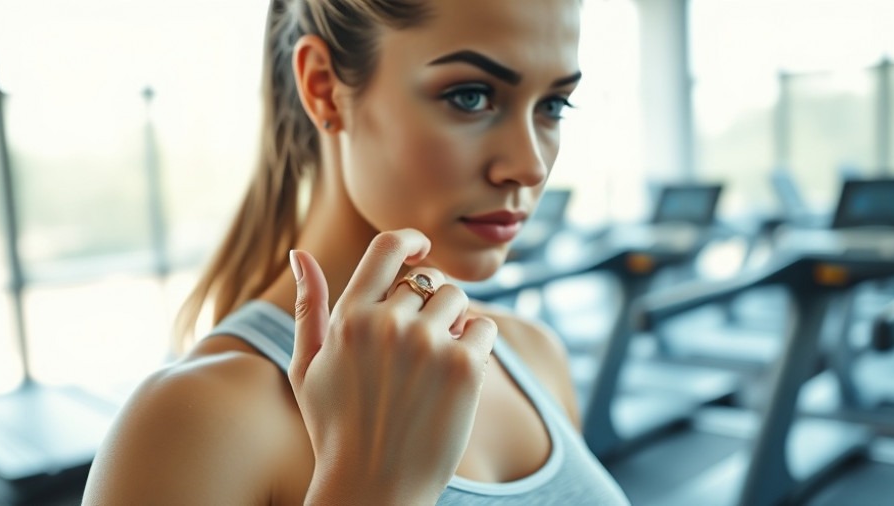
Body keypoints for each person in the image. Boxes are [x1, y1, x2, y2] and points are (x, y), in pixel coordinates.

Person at [83, 0, 630, 504]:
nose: (531, 165)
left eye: (553, 105)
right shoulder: (194, 424)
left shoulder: (534, 354)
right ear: (322, 86)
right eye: (471, 96)